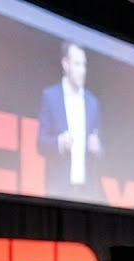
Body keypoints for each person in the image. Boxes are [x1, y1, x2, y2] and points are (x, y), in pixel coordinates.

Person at [37, 42, 103, 201]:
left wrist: (97, 148)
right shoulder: (50, 96)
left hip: (88, 193)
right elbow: (40, 143)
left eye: (84, 65)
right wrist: (60, 142)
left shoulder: (92, 102)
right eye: (77, 64)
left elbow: (102, 150)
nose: (82, 71)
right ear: (65, 64)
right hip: (58, 190)